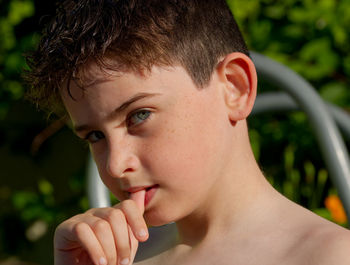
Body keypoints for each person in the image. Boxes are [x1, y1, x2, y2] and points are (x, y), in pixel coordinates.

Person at [25, 0, 350, 264]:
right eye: (95, 136)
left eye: (139, 115)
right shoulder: (120, 260)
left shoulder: (329, 256)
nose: (114, 165)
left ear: (234, 89)